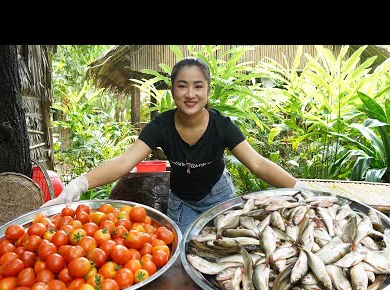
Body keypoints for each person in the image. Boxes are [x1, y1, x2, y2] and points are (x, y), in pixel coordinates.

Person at [43, 56, 304, 234]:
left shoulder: (222, 126)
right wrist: (78, 184)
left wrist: (299, 188)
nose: (190, 94)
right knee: (186, 252)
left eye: (198, 86)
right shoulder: (161, 126)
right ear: (172, 91)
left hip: (219, 196)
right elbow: (124, 162)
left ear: (208, 91)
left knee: (224, 246)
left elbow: (257, 163)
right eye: (182, 86)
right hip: (181, 202)